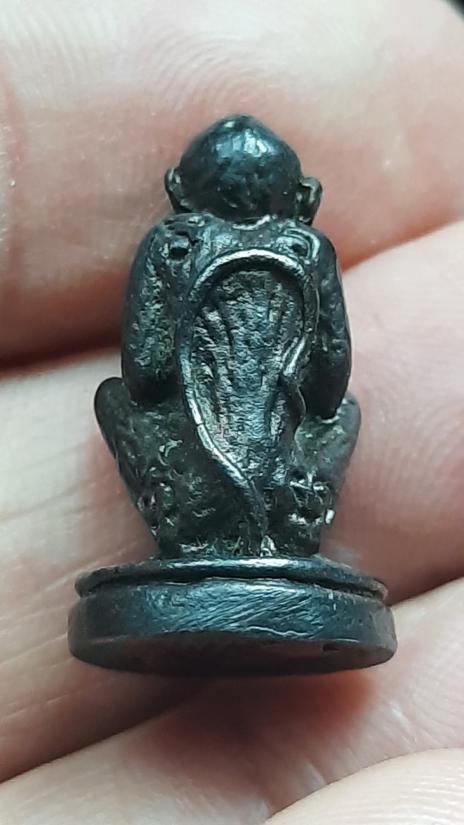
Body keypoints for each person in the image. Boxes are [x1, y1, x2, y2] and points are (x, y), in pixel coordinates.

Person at [0, 0, 463, 822]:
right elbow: (330, 389)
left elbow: (143, 374)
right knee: (344, 416)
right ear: (303, 198)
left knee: (111, 399)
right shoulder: (309, 250)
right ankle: (286, 520)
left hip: (190, 495)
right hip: (287, 483)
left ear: (180, 192)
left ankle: (193, 520)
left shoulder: (171, 245)